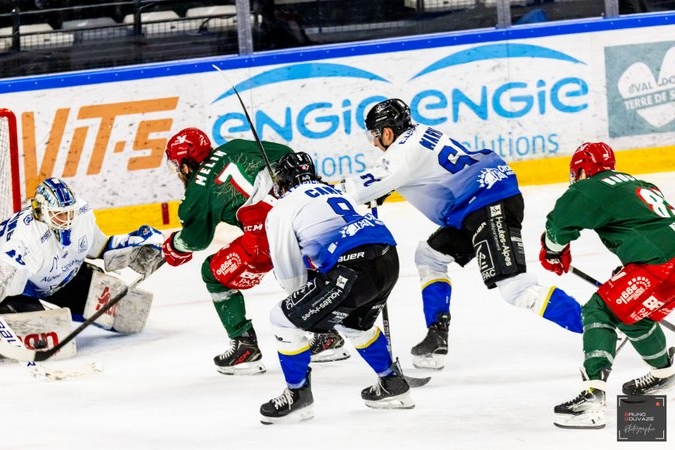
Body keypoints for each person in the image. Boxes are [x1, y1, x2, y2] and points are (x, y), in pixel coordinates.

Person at [340, 98, 583, 370]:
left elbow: (371, 181)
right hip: (474, 206)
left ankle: (597, 326)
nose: (374, 143)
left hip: (487, 203)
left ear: (387, 132)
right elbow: (421, 172)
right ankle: (437, 336)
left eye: (374, 135)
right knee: (429, 256)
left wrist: (331, 192)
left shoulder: (403, 149)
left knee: (516, 288)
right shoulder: (420, 135)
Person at [162, 128, 350, 375]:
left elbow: (195, 241)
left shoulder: (198, 190)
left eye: (177, 165)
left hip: (265, 236)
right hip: (302, 216)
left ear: (187, 163)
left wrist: (174, 246)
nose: (177, 171)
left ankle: (244, 347)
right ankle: (325, 335)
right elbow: (287, 155)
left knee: (213, 273)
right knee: (300, 262)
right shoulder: (236, 146)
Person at [0, 177, 165, 363]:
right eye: (58, 215)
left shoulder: (81, 214)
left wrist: (133, 247)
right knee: (48, 331)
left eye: (68, 213)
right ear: (41, 212)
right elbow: (5, 270)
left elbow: (100, 247)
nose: (66, 220)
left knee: (124, 310)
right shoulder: (26, 238)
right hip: (14, 279)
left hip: (55, 275)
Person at [259, 152, 415, 424]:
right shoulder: (331, 191)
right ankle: (393, 385)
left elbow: (290, 272)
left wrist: (302, 308)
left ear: (281, 183)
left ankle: (298, 397)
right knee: (354, 325)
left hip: (352, 269)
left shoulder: (281, 209)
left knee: (282, 320)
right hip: (388, 257)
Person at [540, 142, 675, 429]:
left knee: (599, 310)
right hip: (662, 264)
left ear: (581, 169)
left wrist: (553, 249)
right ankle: (665, 372)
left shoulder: (591, 186)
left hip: (660, 265)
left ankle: (592, 395)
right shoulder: (636, 183)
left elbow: (559, 223)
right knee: (635, 315)